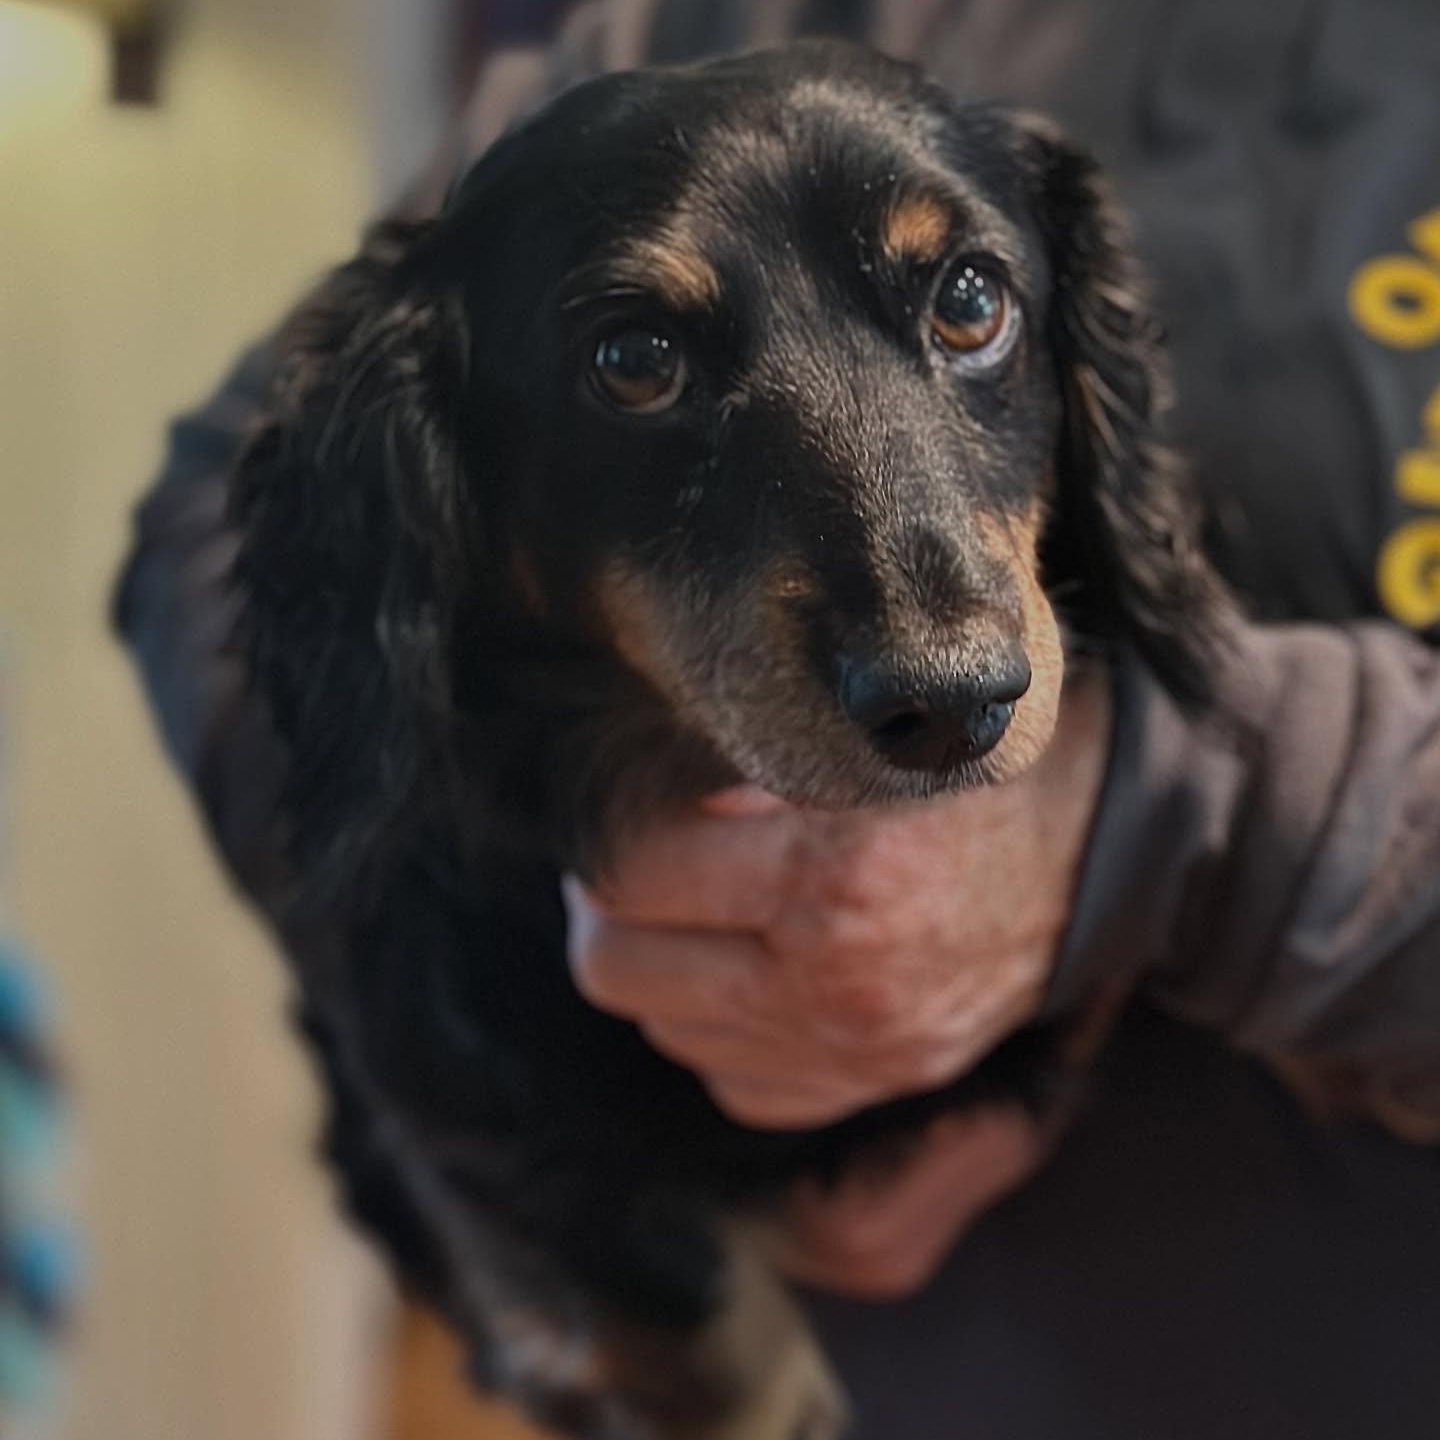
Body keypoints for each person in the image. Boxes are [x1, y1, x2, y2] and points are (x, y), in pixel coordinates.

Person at [114, 2, 1440, 1437]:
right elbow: (217, 538)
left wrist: (1185, 825)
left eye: (967, 306)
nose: (940, 652)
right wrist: (592, 1224)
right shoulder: (697, 30)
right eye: (636, 362)